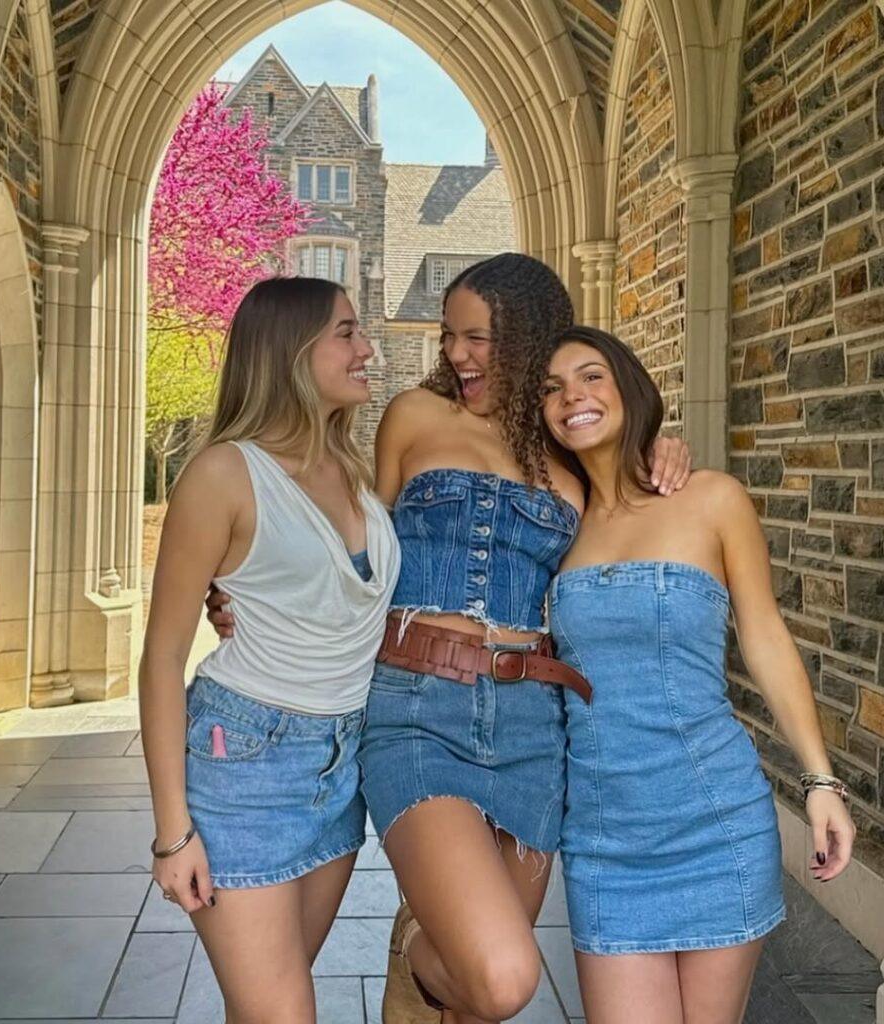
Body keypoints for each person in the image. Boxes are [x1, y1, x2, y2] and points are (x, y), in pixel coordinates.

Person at [205, 253, 690, 1023]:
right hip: (416, 709)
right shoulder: (415, 416)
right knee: (500, 976)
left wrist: (664, 445)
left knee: (476, 1004)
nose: (457, 354)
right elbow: (353, 549)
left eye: (477, 338)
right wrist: (251, 590)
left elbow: (636, 516)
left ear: (527, 339)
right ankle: (412, 948)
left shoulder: (569, 449)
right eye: (448, 336)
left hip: (535, 727)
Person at [541, 325, 855, 1024]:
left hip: (715, 820)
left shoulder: (712, 499)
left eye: (591, 376)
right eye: (552, 388)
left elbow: (765, 638)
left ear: (630, 388)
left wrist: (821, 781)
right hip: (604, 837)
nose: (572, 397)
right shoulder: (555, 523)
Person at [139, 276, 400, 1024]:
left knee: (265, 1003)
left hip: (341, 765)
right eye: (346, 332)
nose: (368, 349)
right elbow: (162, 657)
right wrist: (172, 833)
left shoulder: (352, 467)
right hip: (246, 761)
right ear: (291, 350)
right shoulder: (223, 473)